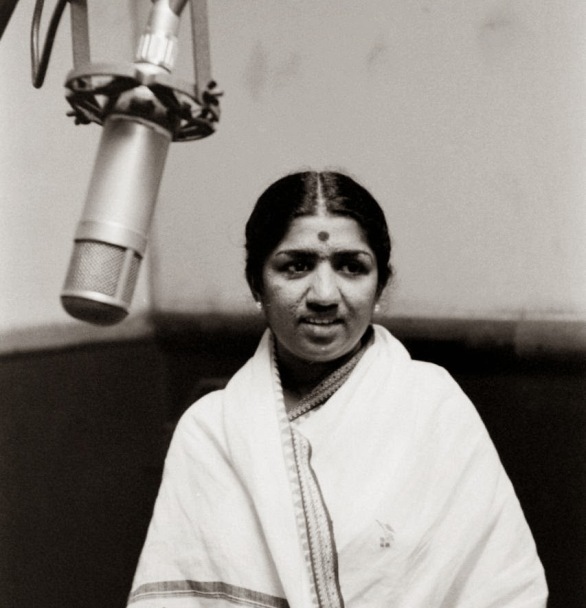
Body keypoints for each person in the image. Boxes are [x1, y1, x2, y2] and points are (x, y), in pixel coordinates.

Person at [127, 170, 548, 608]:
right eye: (297, 266)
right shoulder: (211, 431)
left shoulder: (432, 405)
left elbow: (503, 588)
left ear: (380, 284)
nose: (325, 294)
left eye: (351, 266)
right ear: (257, 284)